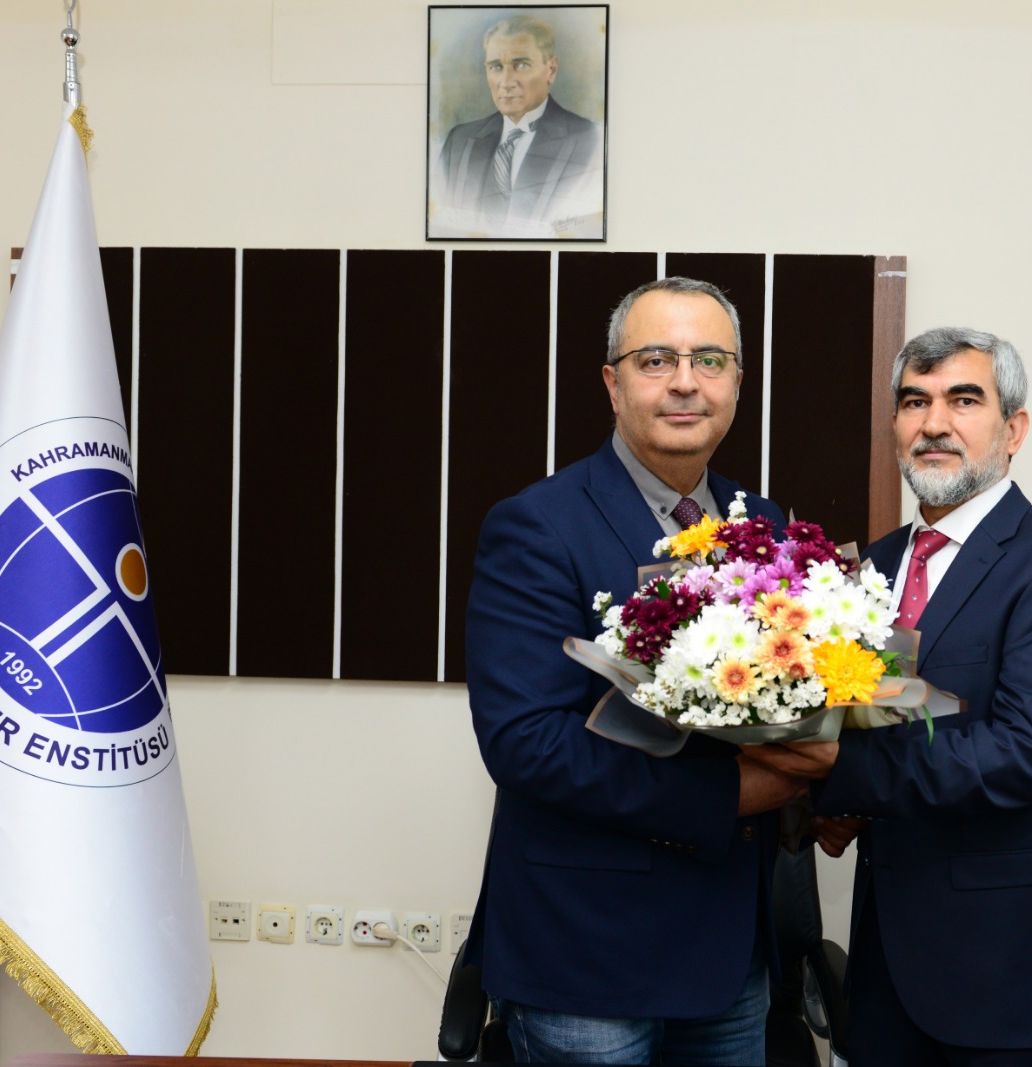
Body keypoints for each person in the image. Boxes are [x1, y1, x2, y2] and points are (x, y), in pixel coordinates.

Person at [760, 327, 1032, 1066]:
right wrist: (826, 805)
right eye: (915, 402)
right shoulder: (865, 571)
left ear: (1014, 429)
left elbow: (1022, 754)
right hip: (887, 971)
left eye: (963, 400)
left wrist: (837, 772)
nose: (934, 422)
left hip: (1019, 974)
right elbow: (869, 718)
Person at [462, 277, 819, 1065]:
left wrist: (822, 771)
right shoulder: (537, 525)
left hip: (731, 952)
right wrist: (730, 793)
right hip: (586, 950)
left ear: (737, 381)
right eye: (656, 359)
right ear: (612, 382)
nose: (686, 381)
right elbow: (526, 742)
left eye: (710, 360)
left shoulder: (763, 523)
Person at [432, 14, 602, 239]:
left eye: (521, 65)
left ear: (551, 70)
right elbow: (440, 224)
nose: (506, 82)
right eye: (496, 67)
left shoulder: (589, 140)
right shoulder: (459, 141)